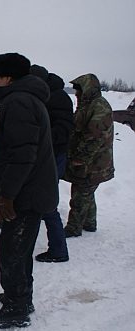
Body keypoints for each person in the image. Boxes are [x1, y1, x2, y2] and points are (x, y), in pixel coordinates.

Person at [0, 53, 58, 329]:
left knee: (12, 251)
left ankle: (17, 307)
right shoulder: (25, 98)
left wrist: (7, 195)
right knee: (20, 248)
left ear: (7, 78)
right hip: (30, 190)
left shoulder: (18, 103)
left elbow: (22, 156)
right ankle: (20, 296)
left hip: (27, 194)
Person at [30, 65, 74, 263]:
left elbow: (63, 131)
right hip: (47, 154)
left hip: (53, 156)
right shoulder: (47, 95)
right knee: (43, 200)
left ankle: (58, 250)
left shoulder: (57, 98)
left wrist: (37, 136)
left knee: (47, 202)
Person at [63, 74, 114, 238]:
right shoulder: (87, 105)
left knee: (80, 194)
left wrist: (80, 158)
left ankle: (73, 227)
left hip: (93, 163)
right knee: (87, 192)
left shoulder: (99, 107)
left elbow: (95, 137)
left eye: (79, 90)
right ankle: (90, 223)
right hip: (92, 162)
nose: (76, 93)